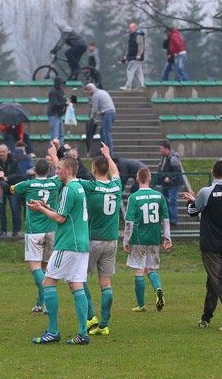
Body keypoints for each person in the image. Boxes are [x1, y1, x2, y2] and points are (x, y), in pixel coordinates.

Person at [28, 152, 91, 345]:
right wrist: (46, 206)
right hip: (81, 244)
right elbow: (66, 214)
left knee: (48, 282)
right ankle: (83, 333)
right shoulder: (78, 187)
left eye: (59, 169)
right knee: (76, 285)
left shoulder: (68, 189)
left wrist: (41, 209)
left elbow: (61, 218)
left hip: (68, 243)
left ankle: (53, 331)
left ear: (69, 170)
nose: (56, 171)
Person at [184, 160, 222, 331]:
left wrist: (190, 201)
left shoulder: (206, 191)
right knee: (213, 281)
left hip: (210, 244)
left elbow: (193, 211)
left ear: (212, 172)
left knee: (217, 280)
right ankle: (206, 317)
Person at [77, 143, 121, 336]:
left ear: (94, 169)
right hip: (112, 241)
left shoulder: (91, 187)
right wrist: (108, 155)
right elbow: (116, 172)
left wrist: (55, 157)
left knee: (80, 278)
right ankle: (104, 324)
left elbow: (69, 179)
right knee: (106, 282)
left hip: (93, 240)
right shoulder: (116, 186)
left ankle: (91, 317)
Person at [7, 158, 61, 313]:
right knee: (45, 269)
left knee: (35, 268)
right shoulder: (55, 182)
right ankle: (40, 302)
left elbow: (9, 189)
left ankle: (48, 300)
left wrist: (0, 178)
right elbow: (61, 172)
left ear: (35, 171)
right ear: (49, 171)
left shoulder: (28, 184)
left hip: (34, 231)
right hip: (51, 230)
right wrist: (55, 156)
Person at [124, 168, 171, 312]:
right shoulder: (159, 196)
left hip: (139, 239)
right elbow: (165, 219)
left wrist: (126, 241)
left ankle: (141, 305)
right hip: (154, 238)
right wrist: (167, 238)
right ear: (150, 178)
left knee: (139, 270)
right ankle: (158, 289)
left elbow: (129, 222)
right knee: (151, 268)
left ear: (137, 178)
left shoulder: (134, 197)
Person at [0, 144, 24, 236]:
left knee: (15, 208)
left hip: (12, 188)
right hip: (1, 189)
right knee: (1, 210)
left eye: (3, 151)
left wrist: (7, 178)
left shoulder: (14, 161)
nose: (1, 153)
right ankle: (3, 230)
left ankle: (16, 231)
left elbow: (19, 174)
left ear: (7, 152)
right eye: (0, 152)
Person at [156, 140, 182, 227]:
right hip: (165, 184)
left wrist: (170, 178)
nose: (160, 150)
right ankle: (167, 218)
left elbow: (177, 172)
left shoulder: (173, 159)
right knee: (165, 201)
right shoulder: (163, 158)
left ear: (166, 149)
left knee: (172, 201)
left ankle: (173, 220)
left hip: (173, 184)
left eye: (161, 148)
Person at [85, 83, 116, 153]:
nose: (88, 92)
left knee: (106, 133)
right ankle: (103, 150)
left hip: (108, 114)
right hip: (111, 112)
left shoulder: (95, 95)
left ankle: (109, 152)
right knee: (102, 133)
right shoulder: (101, 92)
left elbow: (95, 109)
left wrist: (92, 118)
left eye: (89, 90)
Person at [120, 22, 146, 91]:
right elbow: (130, 48)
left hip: (136, 57)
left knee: (129, 70)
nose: (130, 29)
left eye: (131, 28)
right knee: (139, 71)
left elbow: (141, 45)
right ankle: (142, 85)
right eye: (129, 28)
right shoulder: (131, 36)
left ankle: (128, 86)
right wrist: (126, 56)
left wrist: (139, 54)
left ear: (135, 28)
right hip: (133, 56)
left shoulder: (138, 35)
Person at [47, 76, 67, 146]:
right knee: (55, 135)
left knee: (61, 135)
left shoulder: (61, 91)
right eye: (61, 83)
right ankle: (53, 150)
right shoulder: (53, 92)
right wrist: (64, 104)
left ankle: (60, 149)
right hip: (54, 115)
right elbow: (54, 104)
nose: (62, 85)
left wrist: (67, 103)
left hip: (59, 115)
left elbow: (64, 101)